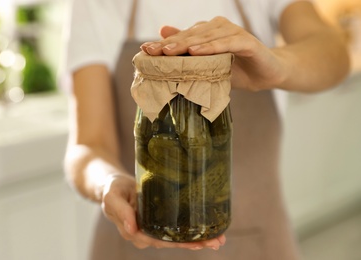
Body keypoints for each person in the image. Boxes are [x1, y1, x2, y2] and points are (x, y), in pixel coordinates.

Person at [62, 0, 350, 259]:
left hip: (257, 243)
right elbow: (89, 144)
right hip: (135, 237)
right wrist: (107, 183)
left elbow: (335, 53)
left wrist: (276, 66)